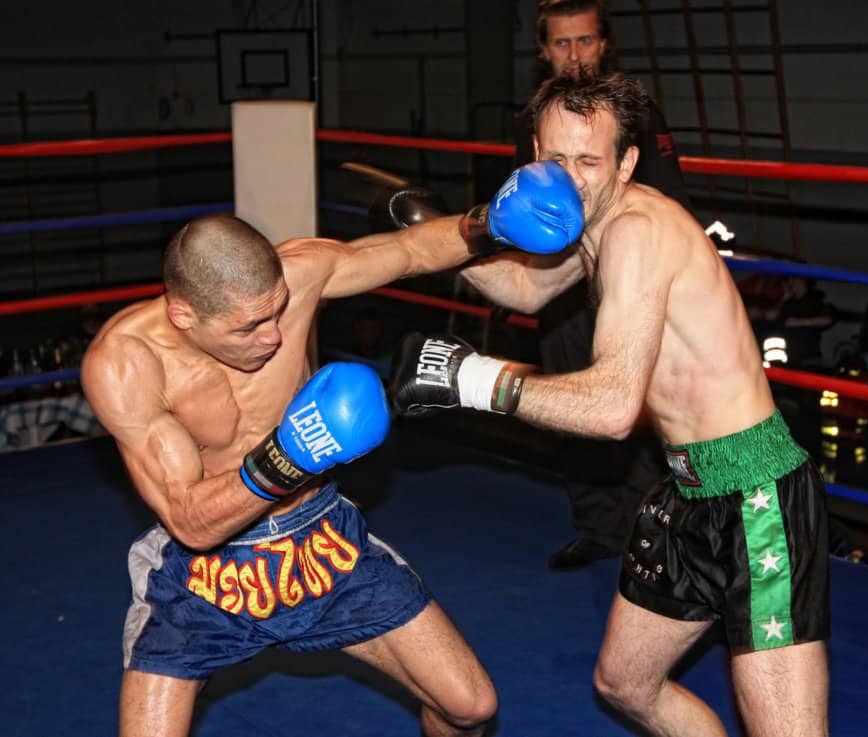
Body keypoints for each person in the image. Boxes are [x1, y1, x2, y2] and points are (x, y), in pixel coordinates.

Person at [391, 73, 829, 737]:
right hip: (686, 490)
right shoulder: (590, 222)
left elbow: (613, 408)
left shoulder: (638, 232)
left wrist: (471, 379)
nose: (569, 178)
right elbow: (526, 288)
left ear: (626, 163)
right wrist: (440, 233)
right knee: (626, 684)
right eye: (556, 159)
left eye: (589, 161)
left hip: (755, 494)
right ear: (534, 151)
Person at [80, 160, 584, 737]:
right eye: (248, 328)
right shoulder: (125, 364)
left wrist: (488, 224)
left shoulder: (300, 275)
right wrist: (289, 455)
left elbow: (411, 251)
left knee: (470, 708)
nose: (272, 338)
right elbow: (190, 522)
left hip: (322, 542)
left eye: (277, 314)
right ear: (183, 315)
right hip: (204, 574)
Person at [516, 0, 691, 570]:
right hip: (561, 288)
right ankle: (596, 525)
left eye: (585, 41)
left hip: (626, 276)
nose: (575, 55)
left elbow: (669, 200)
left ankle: (648, 532)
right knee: (573, 403)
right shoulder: (538, 115)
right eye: (562, 44)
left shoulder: (635, 111)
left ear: (604, 43)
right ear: (544, 50)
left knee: (636, 404)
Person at [770, 275, 836, 369]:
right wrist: (784, 298)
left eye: (794, 278)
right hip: (785, 354)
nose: (790, 282)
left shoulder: (816, 299)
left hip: (808, 355)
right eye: (789, 279)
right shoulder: (788, 301)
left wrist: (801, 322)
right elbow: (771, 316)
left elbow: (828, 319)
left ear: (803, 280)